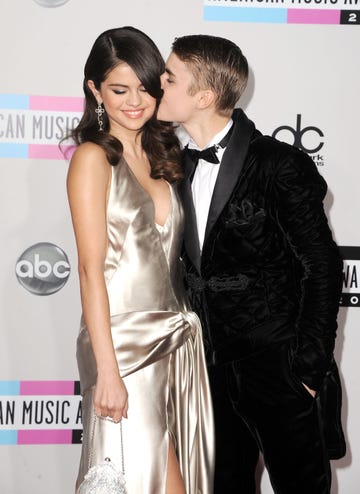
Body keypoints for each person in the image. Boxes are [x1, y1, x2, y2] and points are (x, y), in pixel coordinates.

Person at [158, 34, 346, 494]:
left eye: (169, 77)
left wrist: (307, 367)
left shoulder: (280, 164)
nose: (157, 84)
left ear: (203, 97)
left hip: (278, 364)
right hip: (207, 369)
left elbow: (322, 265)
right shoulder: (175, 166)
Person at [66, 27, 214, 494]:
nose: (135, 101)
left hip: (176, 348)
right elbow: (91, 271)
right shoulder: (91, 158)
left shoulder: (161, 153)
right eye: (118, 89)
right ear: (95, 90)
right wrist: (107, 373)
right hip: (125, 354)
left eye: (146, 88)